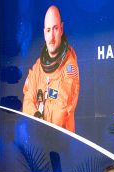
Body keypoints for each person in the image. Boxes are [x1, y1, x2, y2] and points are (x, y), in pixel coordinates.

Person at [23, 5, 80, 133]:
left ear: (61, 29)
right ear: (44, 33)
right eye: (48, 30)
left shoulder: (70, 68)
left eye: (55, 29)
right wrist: (36, 115)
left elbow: (61, 110)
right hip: (38, 141)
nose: (52, 37)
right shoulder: (38, 67)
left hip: (61, 144)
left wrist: (39, 123)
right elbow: (28, 99)